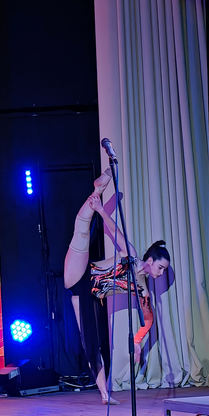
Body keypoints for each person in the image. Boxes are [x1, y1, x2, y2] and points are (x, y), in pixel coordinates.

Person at [64, 169, 171, 402]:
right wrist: (101, 209)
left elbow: (148, 319)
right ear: (150, 260)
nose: (161, 273)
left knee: (91, 344)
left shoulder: (142, 288)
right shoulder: (130, 255)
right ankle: (98, 189)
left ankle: (104, 394)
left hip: (88, 297)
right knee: (81, 232)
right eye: (161, 268)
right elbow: (115, 232)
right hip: (81, 274)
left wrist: (137, 342)